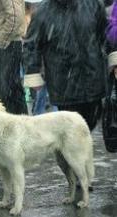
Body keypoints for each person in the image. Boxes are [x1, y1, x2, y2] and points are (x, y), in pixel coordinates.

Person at [24, 0, 107, 130]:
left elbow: (104, 35)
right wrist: (32, 71)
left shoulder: (94, 4)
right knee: (72, 128)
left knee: (89, 122)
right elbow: (32, 45)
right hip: (62, 81)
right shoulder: (43, 11)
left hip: (92, 77)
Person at [0, 0, 28, 114]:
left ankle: (12, 127)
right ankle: (18, 125)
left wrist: (0, 42)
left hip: (7, 44)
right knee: (7, 91)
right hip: (5, 43)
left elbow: (15, 18)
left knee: (5, 92)